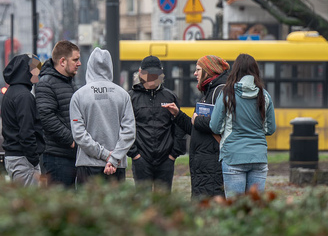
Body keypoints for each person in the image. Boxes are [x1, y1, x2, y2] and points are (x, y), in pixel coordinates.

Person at [209, 53, 276, 195]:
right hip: (258, 157)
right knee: (255, 206)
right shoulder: (264, 96)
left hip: (233, 156)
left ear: (235, 70)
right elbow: (270, 129)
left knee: (235, 208)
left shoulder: (227, 94)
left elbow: (214, 126)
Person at [164, 55, 230, 198]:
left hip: (212, 166)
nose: (195, 73)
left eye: (198, 70)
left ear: (209, 71)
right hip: (204, 166)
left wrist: (198, 120)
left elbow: (219, 126)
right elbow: (196, 129)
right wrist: (178, 115)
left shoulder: (220, 92)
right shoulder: (208, 92)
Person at [69, 47, 136, 187]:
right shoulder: (123, 95)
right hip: (116, 166)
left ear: (90, 66)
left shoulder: (79, 96)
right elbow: (129, 132)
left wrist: (105, 154)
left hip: (88, 164)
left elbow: (79, 134)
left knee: (87, 208)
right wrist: (113, 158)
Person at [127, 55, 187, 193]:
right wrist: (135, 154)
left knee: (164, 203)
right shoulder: (131, 97)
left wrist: (173, 155)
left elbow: (179, 126)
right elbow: (125, 127)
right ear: (141, 73)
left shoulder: (170, 97)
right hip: (141, 159)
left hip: (166, 160)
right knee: (143, 203)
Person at [35, 40, 81, 187]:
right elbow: (47, 118)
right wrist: (72, 141)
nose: (79, 63)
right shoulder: (46, 83)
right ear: (62, 61)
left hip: (70, 155)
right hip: (57, 158)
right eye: (75, 59)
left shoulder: (68, 81)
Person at [1, 53, 45, 186]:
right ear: (28, 71)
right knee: (30, 204)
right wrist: (34, 159)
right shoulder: (25, 96)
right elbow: (26, 131)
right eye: (37, 69)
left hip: (13, 156)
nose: (39, 74)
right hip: (23, 159)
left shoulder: (11, 92)